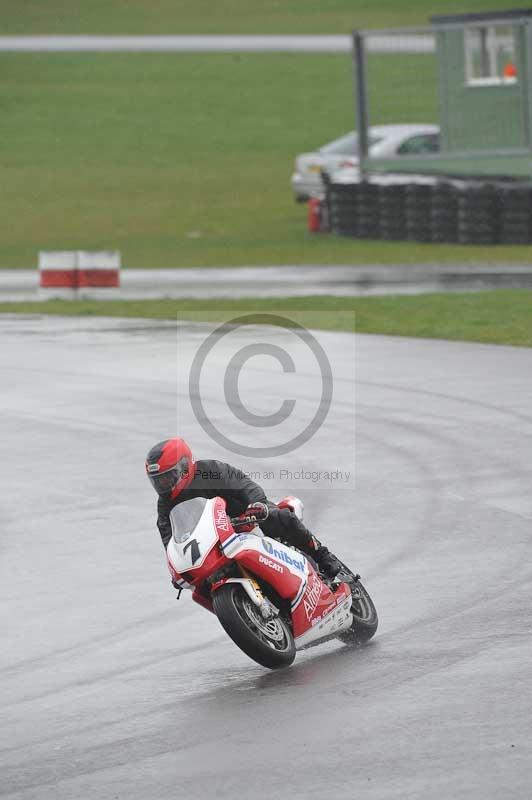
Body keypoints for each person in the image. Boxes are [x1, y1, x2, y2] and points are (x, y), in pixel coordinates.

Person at [145, 437, 343, 579]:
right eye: (158, 481)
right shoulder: (165, 505)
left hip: (247, 518)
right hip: (215, 542)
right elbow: (170, 541)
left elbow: (243, 484)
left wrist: (258, 504)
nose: (163, 484)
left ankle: (323, 555)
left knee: (279, 518)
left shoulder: (210, 471)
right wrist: (177, 568)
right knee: (202, 582)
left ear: (185, 466)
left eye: (167, 477)